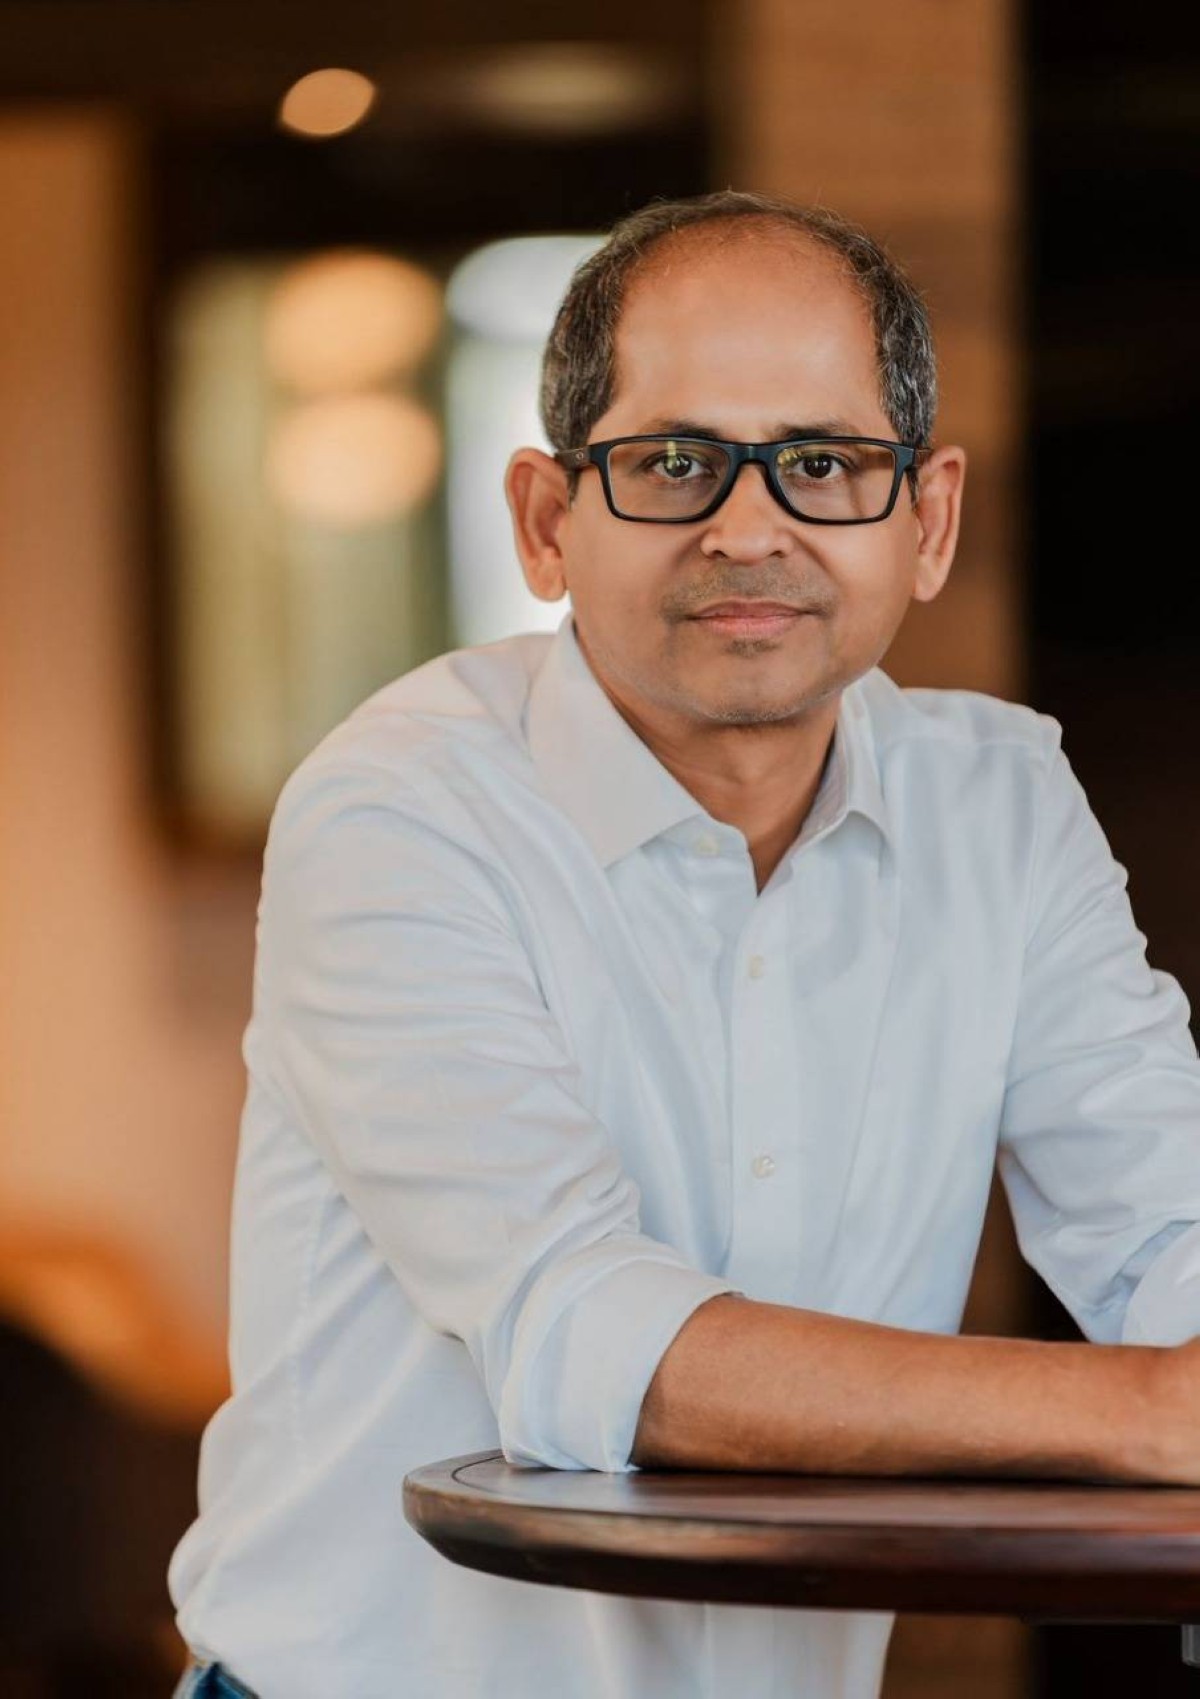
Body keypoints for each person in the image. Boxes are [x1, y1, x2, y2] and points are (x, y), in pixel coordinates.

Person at [167, 190, 1200, 1699]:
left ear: (928, 522)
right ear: (546, 522)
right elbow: (583, 1332)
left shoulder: (1003, 802)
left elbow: (1167, 1226)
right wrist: (1144, 1414)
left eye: (825, 464)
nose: (751, 528)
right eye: (672, 462)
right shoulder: (402, 808)